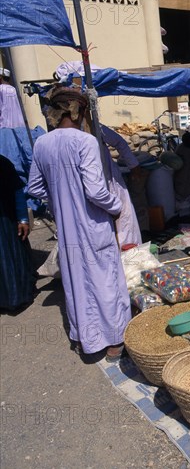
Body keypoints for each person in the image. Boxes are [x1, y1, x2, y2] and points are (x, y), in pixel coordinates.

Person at [27, 87, 131, 360]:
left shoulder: (42, 144)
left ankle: (86, 340)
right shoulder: (85, 142)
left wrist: (61, 198)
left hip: (66, 227)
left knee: (76, 284)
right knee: (105, 281)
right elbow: (96, 191)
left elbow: (35, 187)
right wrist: (116, 207)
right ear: (79, 111)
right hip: (93, 224)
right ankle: (113, 340)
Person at [0, 154, 35, 311]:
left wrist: (23, 219)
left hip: (6, 225)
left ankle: (15, 299)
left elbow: (17, 192)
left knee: (9, 263)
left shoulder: (2, 163)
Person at [100, 125, 143, 247]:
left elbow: (119, 142)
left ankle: (129, 252)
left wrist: (134, 166)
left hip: (110, 181)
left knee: (124, 219)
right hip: (93, 189)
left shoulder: (95, 127)